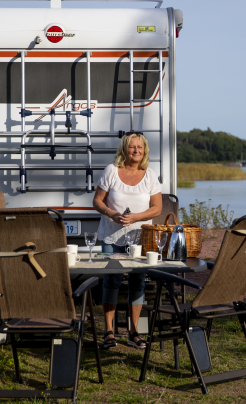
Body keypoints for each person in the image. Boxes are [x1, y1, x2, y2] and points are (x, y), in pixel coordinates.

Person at [93, 132, 162, 349]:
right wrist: (111, 213)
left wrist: (136, 217)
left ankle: (135, 332)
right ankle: (109, 332)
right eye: (132, 147)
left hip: (139, 238)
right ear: (125, 149)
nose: (136, 151)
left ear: (145, 150)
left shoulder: (150, 175)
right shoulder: (111, 171)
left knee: (137, 282)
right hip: (111, 236)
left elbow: (157, 207)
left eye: (140, 147)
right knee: (111, 281)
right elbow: (97, 201)